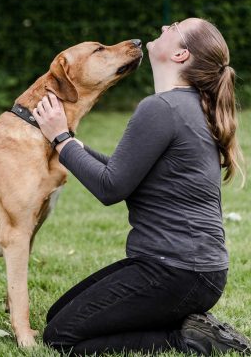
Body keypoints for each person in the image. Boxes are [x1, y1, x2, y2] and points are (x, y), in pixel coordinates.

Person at [32, 18, 250, 356]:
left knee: (61, 336)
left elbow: (110, 187)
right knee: (58, 314)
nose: (164, 26)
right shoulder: (188, 105)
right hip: (192, 271)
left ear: (180, 54)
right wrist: (69, 141)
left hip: (177, 272)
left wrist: (61, 139)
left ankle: (186, 339)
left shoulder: (161, 108)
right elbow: (124, 171)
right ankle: (185, 322)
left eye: (173, 27)